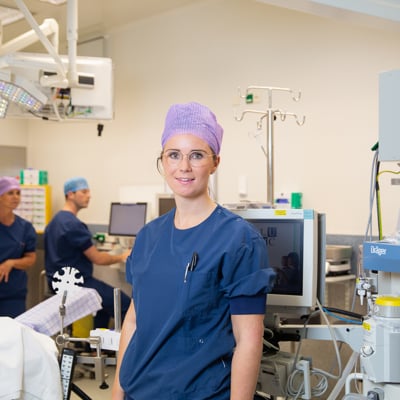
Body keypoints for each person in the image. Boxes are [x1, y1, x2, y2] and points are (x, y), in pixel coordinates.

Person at [112, 102, 276, 400]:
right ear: (163, 161)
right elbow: (134, 322)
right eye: (173, 155)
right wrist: (117, 394)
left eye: (197, 155)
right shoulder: (148, 236)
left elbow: (248, 341)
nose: (183, 167)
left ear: (215, 162)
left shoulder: (238, 239)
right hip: (138, 391)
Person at [44, 176, 131, 328]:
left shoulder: (55, 221)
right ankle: (124, 342)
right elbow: (98, 259)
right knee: (123, 304)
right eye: (84, 192)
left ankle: (96, 342)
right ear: (70, 194)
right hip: (77, 284)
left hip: (56, 282)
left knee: (102, 305)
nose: (89, 195)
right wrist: (122, 256)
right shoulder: (73, 225)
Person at [0, 176, 37, 318]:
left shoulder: (25, 227)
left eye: (18, 193)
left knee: (12, 330)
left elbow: (31, 258)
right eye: (10, 193)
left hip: (14, 295)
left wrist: (11, 263)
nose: (15, 197)